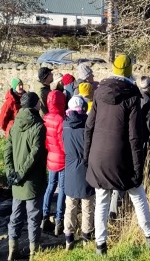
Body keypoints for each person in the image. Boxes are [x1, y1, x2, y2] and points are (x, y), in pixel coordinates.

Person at [84, 54, 150, 255]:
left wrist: (87, 156)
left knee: (102, 200)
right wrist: (138, 166)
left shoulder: (99, 93)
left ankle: (100, 245)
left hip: (98, 155)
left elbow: (89, 127)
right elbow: (135, 136)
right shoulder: (132, 96)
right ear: (129, 71)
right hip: (121, 157)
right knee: (137, 194)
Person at [4, 92, 47, 261]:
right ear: (34, 105)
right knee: (33, 217)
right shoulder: (39, 126)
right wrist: (21, 174)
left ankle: (12, 250)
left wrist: (11, 172)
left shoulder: (15, 124)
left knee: (15, 216)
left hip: (17, 180)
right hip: (32, 180)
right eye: (38, 102)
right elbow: (35, 154)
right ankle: (34, 252)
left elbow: (7, 149)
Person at [63, 95, 95, 250]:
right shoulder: (88, 127)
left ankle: (68, 238)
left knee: (70, 205)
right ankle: (86, 237)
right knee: (88, 205)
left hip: (70, 169)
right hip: (85, 168)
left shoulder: (65, 126)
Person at [41, 90, 67, 235]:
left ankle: (44, 216)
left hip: (51, 157)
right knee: (62, 188)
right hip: (61, 158)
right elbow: (63, 143)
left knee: (50, 186)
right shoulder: (60, 120)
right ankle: (59, 219)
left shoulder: (46, 117)